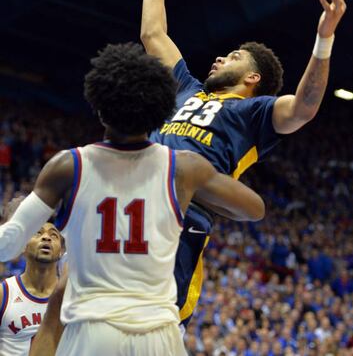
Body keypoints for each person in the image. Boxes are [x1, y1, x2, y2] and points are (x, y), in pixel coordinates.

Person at [0, 42, 265, 356]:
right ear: (160, 111)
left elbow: (8, 245)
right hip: (158, 332)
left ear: (99, 107)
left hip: (93, 329)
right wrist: (197, 189)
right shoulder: (183, 167)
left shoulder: (69, 165)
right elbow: (255, 209)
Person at [140, 0, 348, 326]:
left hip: (183, 218)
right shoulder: (187, 87)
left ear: (253, 79)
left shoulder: (254, 112)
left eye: (234, 57)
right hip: (132, 200)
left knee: (152, 330)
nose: (220, 58)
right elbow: (153, 34)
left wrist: (324, 39)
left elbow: (304, 107)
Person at [0, 222, 63, 355]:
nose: (46, 237)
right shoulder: (4, 292)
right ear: (23, 246)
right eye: (38, 233)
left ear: (62, 251)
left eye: (54, 235)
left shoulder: (69, 295)